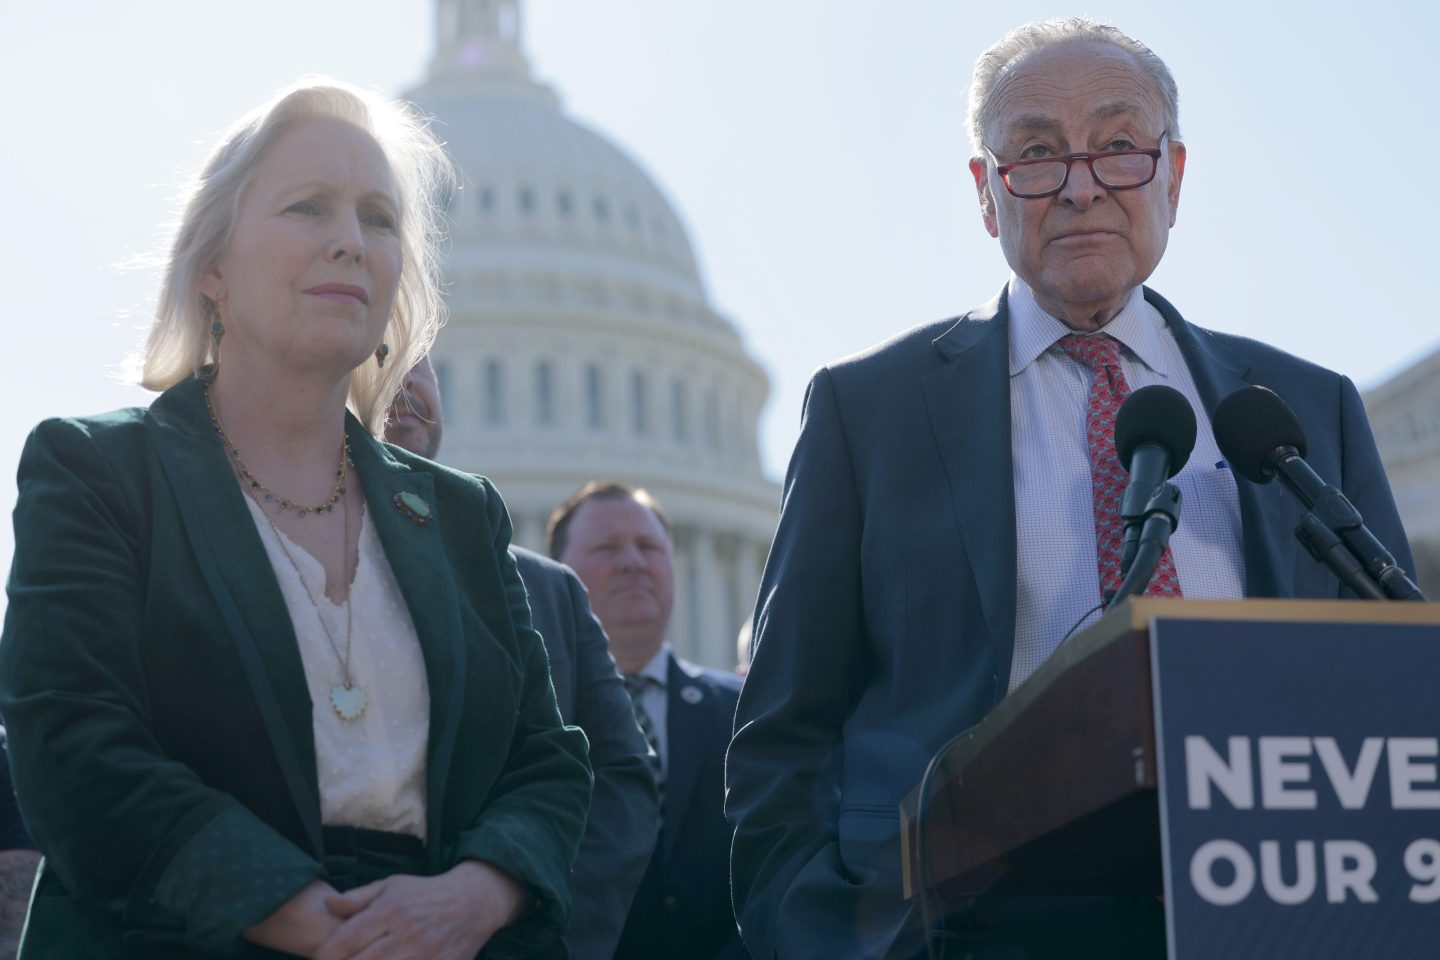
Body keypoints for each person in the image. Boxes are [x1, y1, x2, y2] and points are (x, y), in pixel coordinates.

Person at [726, 17, 1413, 960]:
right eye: (1037, 154)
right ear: (985, 192)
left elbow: (1389, 693)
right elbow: (782, 730)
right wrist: (824, 938)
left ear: (1174, 174)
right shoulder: (869, 412)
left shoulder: (1302, 408)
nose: (1081, 184)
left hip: (1274, 915)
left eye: (1119, 146)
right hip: (972, 925)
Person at [0, 78, 590, 959]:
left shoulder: (459, 514)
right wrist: (304, 920)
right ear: (212, 269)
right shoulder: (99, 473)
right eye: (308, 207)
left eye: (379, 219)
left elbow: (546, 762)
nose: (349, 242)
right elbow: (75, 743)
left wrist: (476, 895)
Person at [383, 356, 660, 960]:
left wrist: (536, 930)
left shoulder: (551, 591)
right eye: (377, 355)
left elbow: (619, 782)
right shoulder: (268, 563)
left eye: (418, 361)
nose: (403, 380)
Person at [548, 483, 748, 960]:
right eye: (607, 547)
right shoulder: (532, 718)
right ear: (557, 573)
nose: (633, 562)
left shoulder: (744, 711)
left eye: (649, 547)